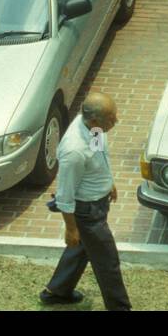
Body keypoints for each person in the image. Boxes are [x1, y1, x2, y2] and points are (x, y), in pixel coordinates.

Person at [41, 92, 131, 311]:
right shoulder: (74, 150)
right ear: (93, 120)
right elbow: (65, 195)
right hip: (87, 212)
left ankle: (57, 292)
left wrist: (107, 181)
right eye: (111, 118)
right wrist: (71, 228)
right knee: (107, 262)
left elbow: (99, 152)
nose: (116, 120)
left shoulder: (94, 127)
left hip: (97, 203)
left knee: (83, 246)